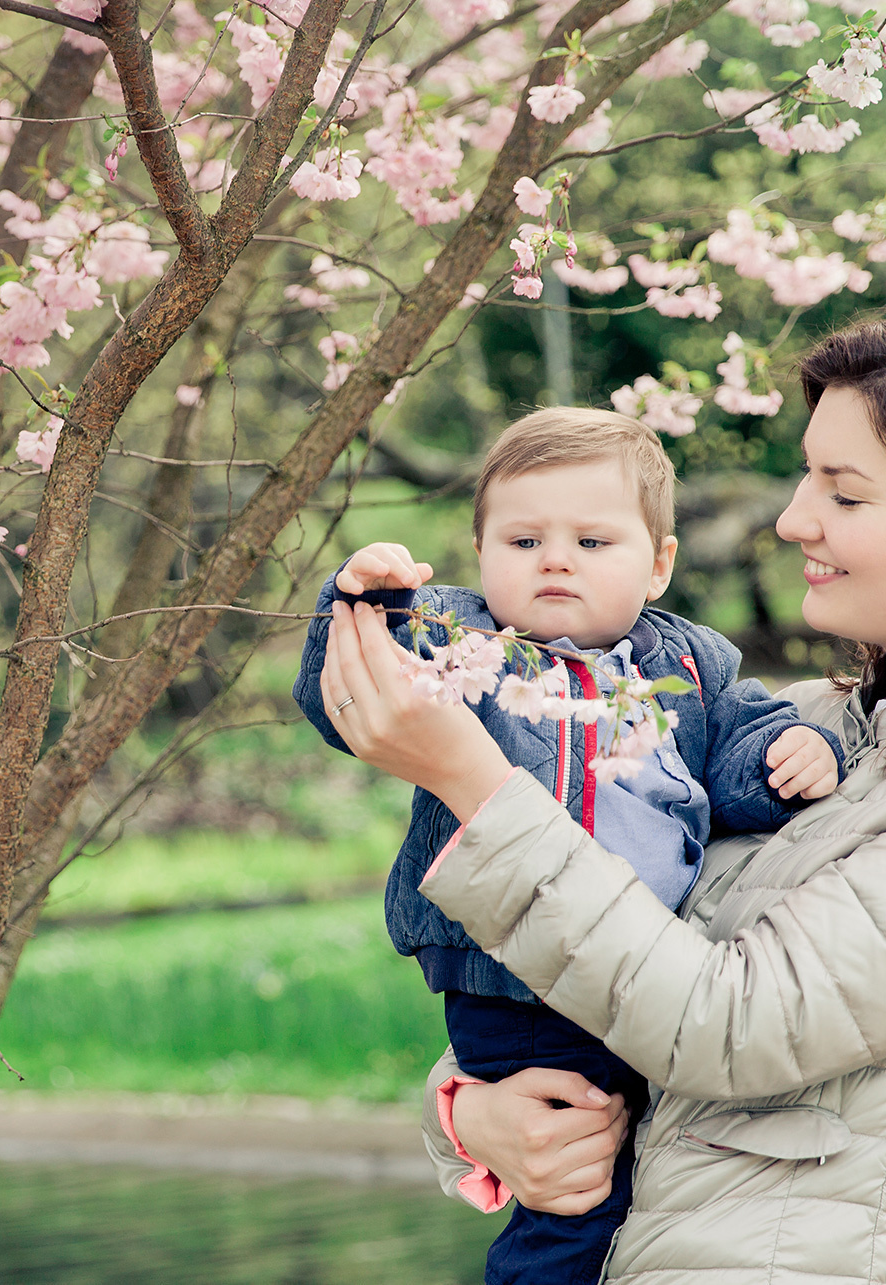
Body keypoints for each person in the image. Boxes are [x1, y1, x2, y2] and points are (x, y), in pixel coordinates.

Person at [316, 293, 886, 1284]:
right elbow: (615, 975)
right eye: (805, 474)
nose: (791, 517)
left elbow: (729, 1029)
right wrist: (471, 1111)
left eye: (843, 494)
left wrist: (474, 782)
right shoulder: (780, 725)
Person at [292, 408, 844, 1284]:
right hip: (508, 983)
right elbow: (343, 696)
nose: (555, 558)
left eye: (592, 539)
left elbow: (742, 747)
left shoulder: (691, 662)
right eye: (522, 539)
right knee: (573, 1194)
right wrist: (359, 604)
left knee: (633, 1178)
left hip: (650, 968)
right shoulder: (462, 641)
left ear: (657, 563)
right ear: (480, 554)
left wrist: (787, 763)